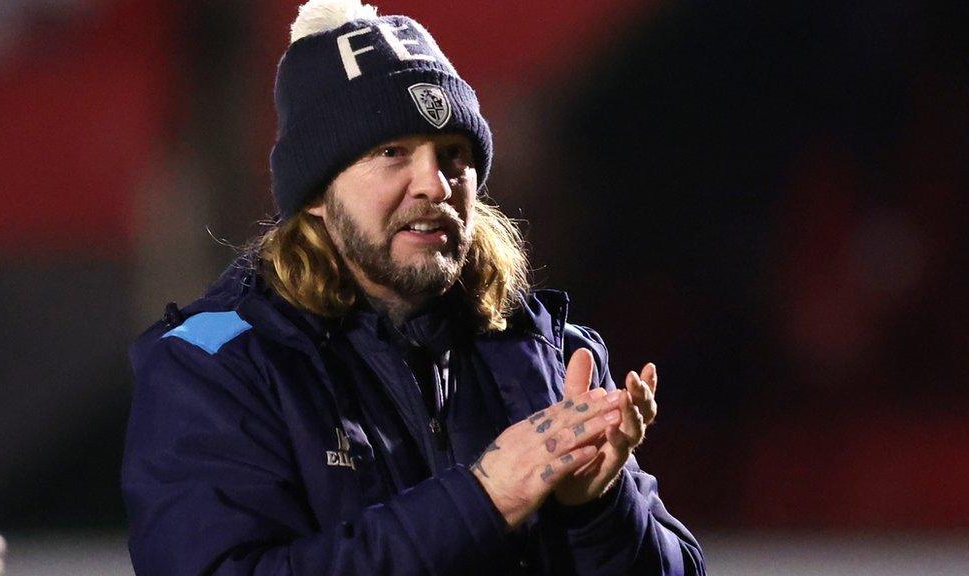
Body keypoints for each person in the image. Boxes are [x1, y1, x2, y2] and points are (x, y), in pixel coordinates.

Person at [121, 1, 705, 574]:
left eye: (453, 155)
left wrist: (597, 511)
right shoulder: (214, 367)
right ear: (317, 195)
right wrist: (482, 499)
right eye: (392, 152)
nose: (434, 183)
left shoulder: (549, 355)